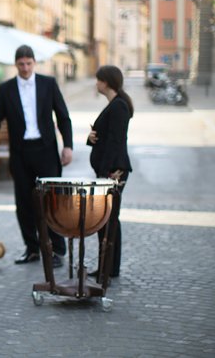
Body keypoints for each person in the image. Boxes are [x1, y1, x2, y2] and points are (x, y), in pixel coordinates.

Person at [0, 44, 73, 268]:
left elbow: (63, 116)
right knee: (24, 204)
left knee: (51, 202)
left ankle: (57, 249)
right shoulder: (6, 88)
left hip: (46, 151)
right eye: (21, 64)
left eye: (28, 63)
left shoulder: (48, 84)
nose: (25, 68)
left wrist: (68, 146)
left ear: (34, 63)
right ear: (16, 64)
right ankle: (32, 249)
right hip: (20, 153)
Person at [86, 65, 133, 279]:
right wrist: (91, 138)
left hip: (114, 172)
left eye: (98, 79)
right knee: (105, 219)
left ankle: (109, 268)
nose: (96, 83)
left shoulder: (119, 107)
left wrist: (107, 173)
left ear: (106, 82)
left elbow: (116, 142)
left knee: (109, 220)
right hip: (107, 172)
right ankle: (107, 266)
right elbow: (104, 137)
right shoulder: (113, 105)